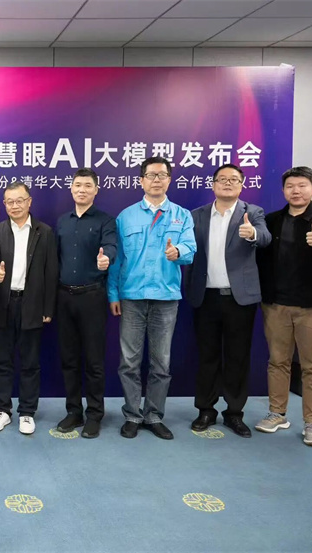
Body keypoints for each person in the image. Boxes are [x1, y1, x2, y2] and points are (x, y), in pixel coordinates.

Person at [255, 166, 312, 447]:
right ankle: (277, 413)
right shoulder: (272, 220)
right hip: (277, 305)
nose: (296, 191)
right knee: (277, 362)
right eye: (290, 186)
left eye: (302, 185)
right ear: (283, 191)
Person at [108, 156, 196, 440]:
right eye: (151, 175)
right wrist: (113, 293)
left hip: (165, 298)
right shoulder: (126, 216)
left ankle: (154, 415)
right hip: (132, 297)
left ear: (169, 179)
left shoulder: (182, 215)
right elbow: (117, 259)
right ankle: (133, 415)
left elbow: (191, 249)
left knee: (161, 362)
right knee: (129, 362)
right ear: (141, 180)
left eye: (162, 175)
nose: (156, 180)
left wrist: (177, 252)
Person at [184, 163, 271, 438]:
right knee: (207, 356)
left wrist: (253, 233)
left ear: (242, 185)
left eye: (234, 179)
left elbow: (265, 237)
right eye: (222, 179)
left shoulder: (252, 213)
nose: (228, 183)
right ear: (213, 185)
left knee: (237, 357)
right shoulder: (196, 215)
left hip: (239, 298)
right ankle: (206, 410)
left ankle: (234, 413)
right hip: (205, 296)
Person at [0, 180, 57, 435]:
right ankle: (2, 410)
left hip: (32, 304)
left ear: (29, 202)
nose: (15, 206)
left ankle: (27, 412)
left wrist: (48, 308)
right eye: (10, 202)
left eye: (19, 201)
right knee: (2, 361)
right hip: (3, 303)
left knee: (30, 362)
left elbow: (51, 271)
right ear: (4, 204)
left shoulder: (44, 232)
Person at [54, 168, 116, 439]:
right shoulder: (62, 221)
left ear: (96, 190)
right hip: (64, 297)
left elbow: (111, 247)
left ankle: (94, 414)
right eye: (77, 185)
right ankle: (73, 411)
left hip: (92, 297)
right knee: (69, 359)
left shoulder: (105, 221)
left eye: (87, 185)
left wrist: (106, 259)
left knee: (93, 361)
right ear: (71, 189)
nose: (82, 189)